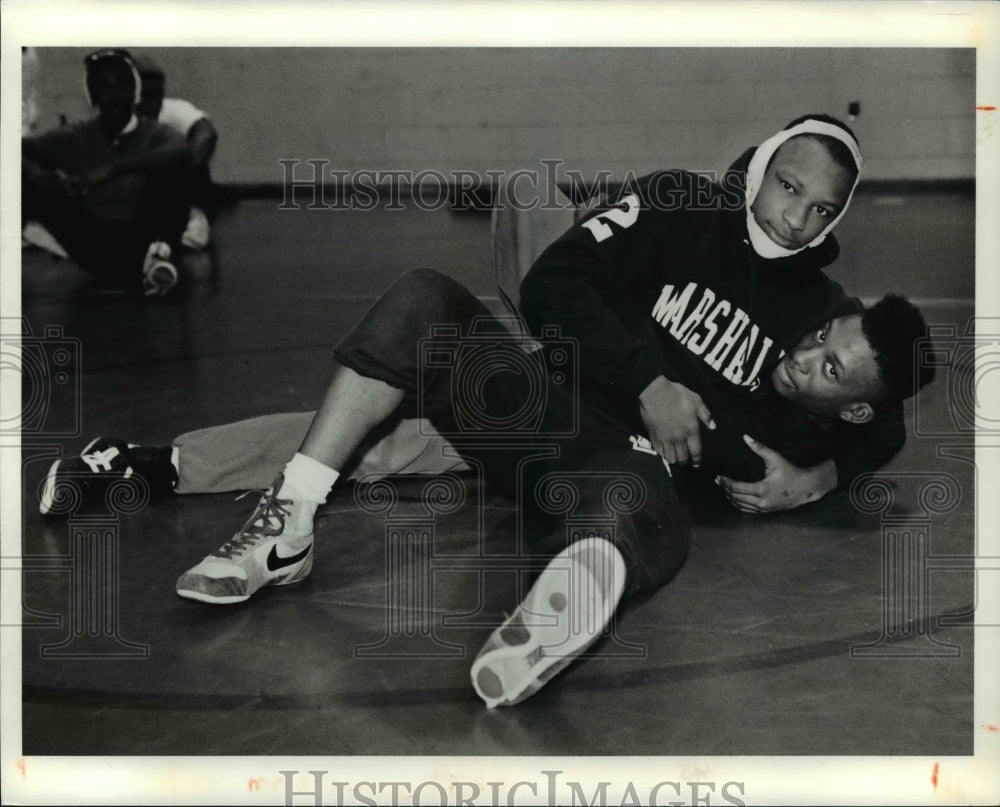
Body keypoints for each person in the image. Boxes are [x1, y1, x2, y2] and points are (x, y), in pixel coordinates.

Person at [37, 115, 934, 706]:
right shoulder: (678, 203)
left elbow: (881, 415)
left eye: (818, 209)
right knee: (393, 389)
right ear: (760, 164)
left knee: (612, 491)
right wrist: (649, 381)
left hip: (605, 469)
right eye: (787, 187)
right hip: (539, 398)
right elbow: (555, 283)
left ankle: (555, 615)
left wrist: (816, 475)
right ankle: (199, 485)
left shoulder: (822, 331)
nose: (793, 217)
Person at [21, 49, 192, 296]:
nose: (115, 95)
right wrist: (39, 175)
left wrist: (109, 171)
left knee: (171, 171)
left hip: (145, 240)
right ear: (92, 94)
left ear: (135, 91)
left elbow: (181, 152)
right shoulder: (76, 136)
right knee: (17, 175)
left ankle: (155, 260)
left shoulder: (156, 133)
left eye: (123, 84)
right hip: (95, 243)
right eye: (105, 87)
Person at [134, 55, 219, 250]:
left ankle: (194, 218)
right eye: (146, 96)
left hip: (179, 194)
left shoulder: (173, 109)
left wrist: (177, 174)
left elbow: (207, 134)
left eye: (158, 95)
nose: (154, 104)